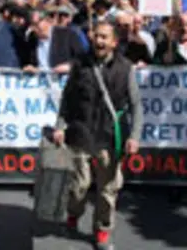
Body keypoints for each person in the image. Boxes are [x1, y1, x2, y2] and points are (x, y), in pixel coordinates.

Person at [53, 21, 143, 250]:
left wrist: (134, 136)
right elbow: (67, 99)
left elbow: (136, 105)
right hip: (81, 133)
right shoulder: (80, 64)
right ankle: (73, 212)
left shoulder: (126, 68)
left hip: (110, 137)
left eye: (104, 37)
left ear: (114, 42)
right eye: (96, 36)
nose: (99, 41)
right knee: (79, 186)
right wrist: (60, 126)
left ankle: (103, 230)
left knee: (108, 189)